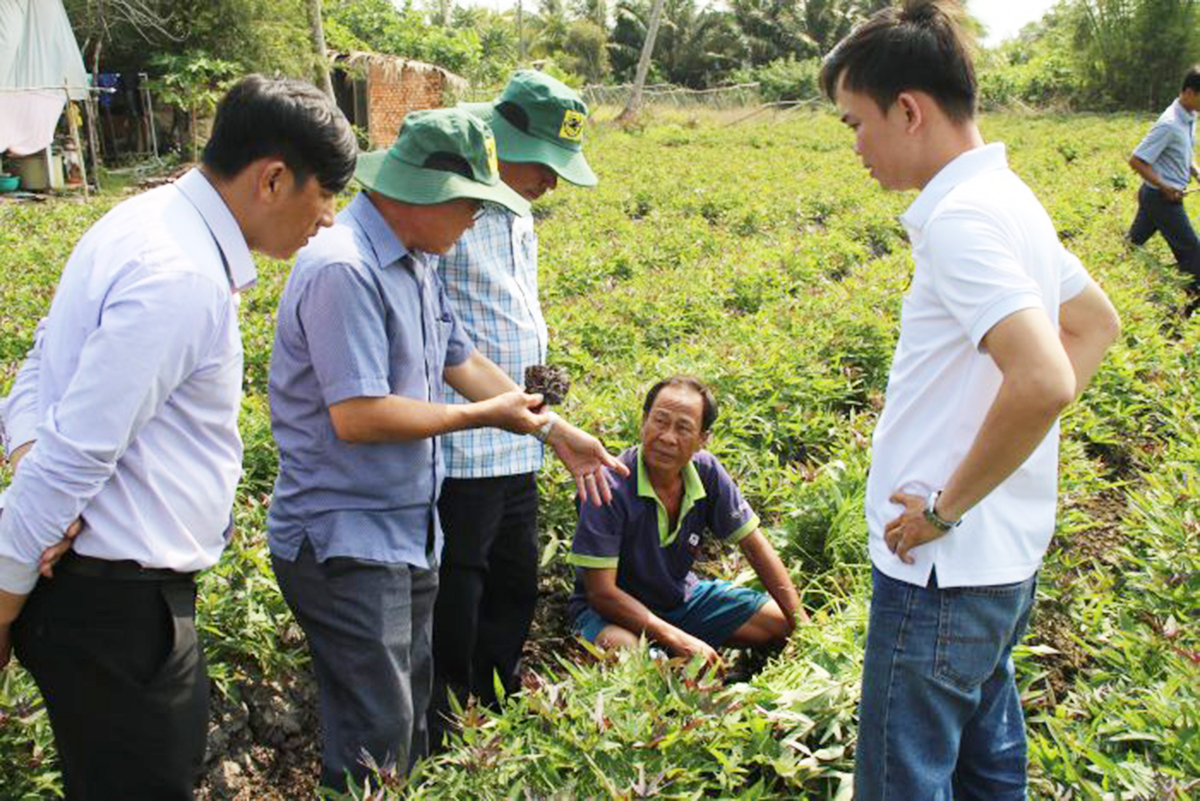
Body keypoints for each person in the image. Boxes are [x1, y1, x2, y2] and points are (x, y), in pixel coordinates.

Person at [0, 75, 357, 799]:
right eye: (325, 196)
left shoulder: (140, 222)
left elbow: (43, 360)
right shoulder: (182, 275)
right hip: (118, 614)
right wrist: (1, 601)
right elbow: (79, 451)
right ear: (274, 178)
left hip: (105, 602)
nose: (327, 220)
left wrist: (24, 448)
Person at [265, 107, 627, 791]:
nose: (475, 224)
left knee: (412, 721)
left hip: (406, 529)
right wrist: (480, 416)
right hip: (344, 539)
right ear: (427, 195)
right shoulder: (345, 269)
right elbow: (358, 415)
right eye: (471, 207)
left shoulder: (417, 264)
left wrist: (556, 433)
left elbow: (460, 357)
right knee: (375, 732)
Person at [818, 1, 1122, 796]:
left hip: (939, 572)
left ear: (909, 110)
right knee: (988, 768)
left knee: (902, 779)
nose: (854, 145)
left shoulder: (961, 220)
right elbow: (1092, 326)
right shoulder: (1010, 198)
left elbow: (1046, 377)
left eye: (855, 122)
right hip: (998, 562)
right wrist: (1008, 460)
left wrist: (946, 508)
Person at [427, 70, 598, 745]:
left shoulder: (520, 204)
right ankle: (448, 722)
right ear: (502, 141)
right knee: (459, 590)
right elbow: (443, 336)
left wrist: (549, 410)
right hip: (465, 441)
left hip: (521, 433)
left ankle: (494, 702)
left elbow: (516, 312)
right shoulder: (452, 202)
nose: (551, 182)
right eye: (545, 165)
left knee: (515, 580)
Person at [567, 376, 804, 663]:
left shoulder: (706, 472)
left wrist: (803, 625)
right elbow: (601, 593)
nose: (667, 437)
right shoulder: (607, 486)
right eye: (660, 421)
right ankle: (670, 659)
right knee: (630, 657)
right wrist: (675, 638)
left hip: (680, 600)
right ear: (644, 422)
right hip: (611, 615)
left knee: (782, 622)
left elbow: (755, 546)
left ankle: (681, 654)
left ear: (703, 439)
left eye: (683, 428)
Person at [1128, 66, 1200, 292]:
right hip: (1161, 198)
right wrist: (1164, 186)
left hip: (1155, 196)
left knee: (1132, 244)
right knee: (1193, 253)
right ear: (1189, 92)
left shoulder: (1190, 116)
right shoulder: (1169, 124)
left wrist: (1197, 173)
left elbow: (1183, 153)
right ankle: (1189, 303)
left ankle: (1112, 272)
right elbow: (1137, 160)